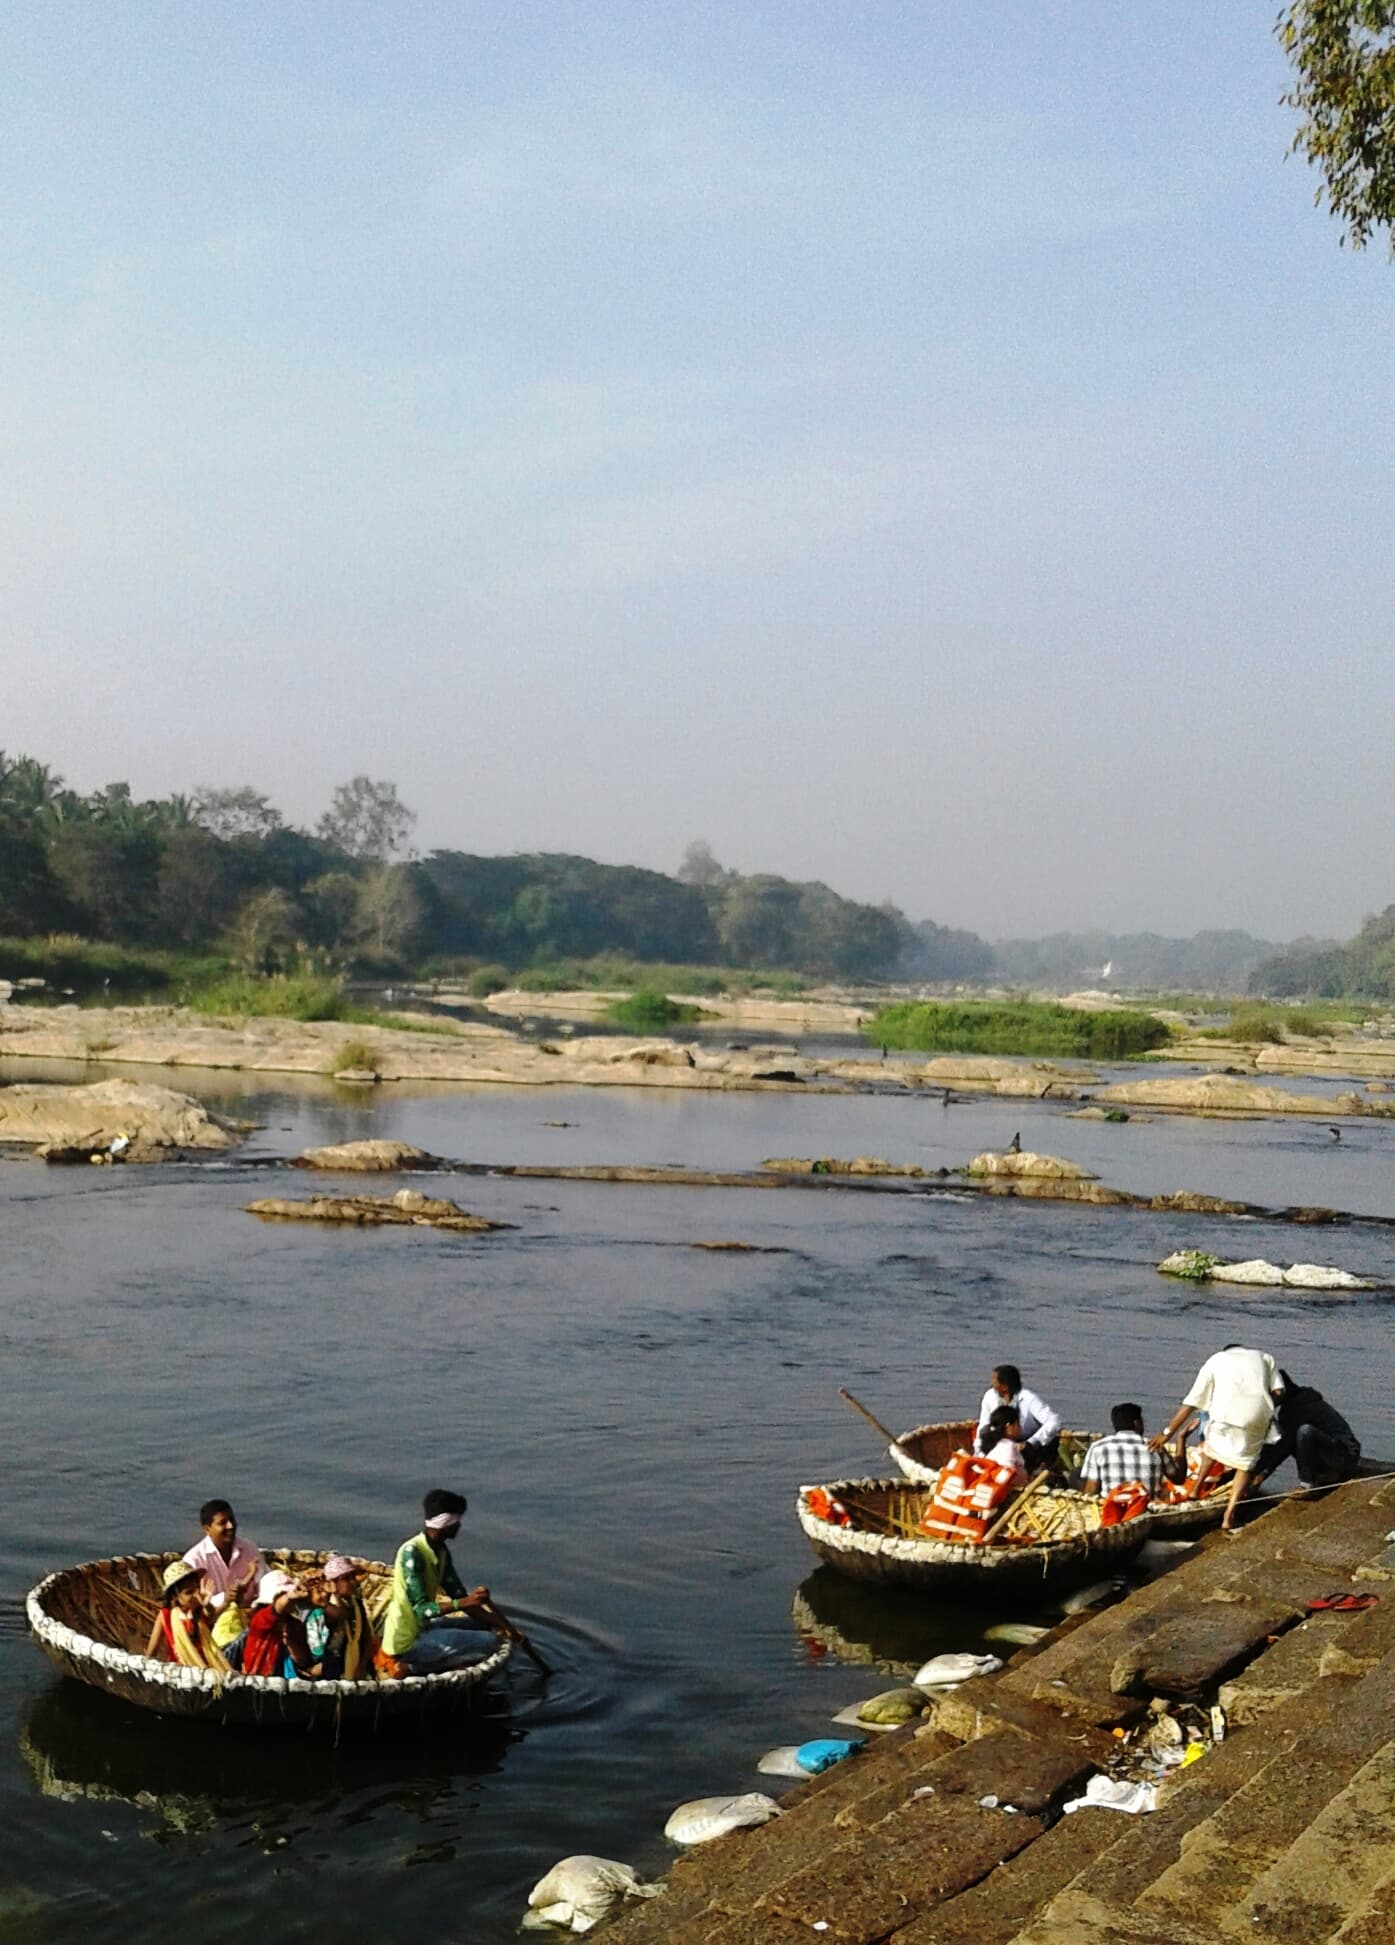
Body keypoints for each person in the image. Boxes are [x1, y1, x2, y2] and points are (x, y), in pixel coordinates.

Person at [1150, 1344, 1282, 1532]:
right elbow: (1279, 1392)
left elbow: (1191, 1402)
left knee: (1211, 1446)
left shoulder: (1216, 1360)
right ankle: (1229, 1517)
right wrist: (1262, 1405)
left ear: (1226, 1351)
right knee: (1246, 1465)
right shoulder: (1265, 1357)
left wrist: (1165, 1434)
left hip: (1224, 1414)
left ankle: (1196, 1489)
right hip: (1257, 1415)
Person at [377, 1488, 492, 1676]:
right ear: (447, 1523)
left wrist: (504, 1626)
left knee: (486, 1627)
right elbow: (422, 1609)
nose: (459, 1527)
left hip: (424, 1627)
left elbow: (459, 1595)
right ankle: (411, 1667)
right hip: (406, 1641)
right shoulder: (412, 1554)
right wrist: (464, 1602)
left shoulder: (441, 1551)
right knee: (489, 1642)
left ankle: (436, 1659)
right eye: (457, 1521)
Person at [182, 1499, 267, 1649]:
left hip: (253, 1618)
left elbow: (264, 1580)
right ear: (207, 1529)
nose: (231, 1526)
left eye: (232, 1520)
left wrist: (257, 1605)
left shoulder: (248, 1548)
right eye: (223, 1523)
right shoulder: (194, 1560)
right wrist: (225, 1599)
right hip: (212, 1629)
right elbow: (190, 1606)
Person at [1252, 1373, 1361, 1490]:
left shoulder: (1301, 1406)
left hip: (1344, 1455)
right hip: (1332, 1452)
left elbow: (1283, 1448)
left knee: (1305, 1432)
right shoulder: (1292, 1406)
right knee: (1280, 1433)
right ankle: (1325, 1474)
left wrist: (1262, 1475)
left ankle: (1307, 1485)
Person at [144, 1560, 229, 1671]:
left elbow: (211, 1614)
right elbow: (152, 1650)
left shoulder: (198, 1611)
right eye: (189, 1592)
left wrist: (207, 1604)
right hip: (180, 1671)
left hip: (207, 1668)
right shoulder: (166, 1615)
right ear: (175, 1596)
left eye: (197, 1589)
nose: (195, 1595)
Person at [975, 1365, 1061, 1473]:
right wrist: (978, 1453)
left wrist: (1030, 1442)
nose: (992, 1384)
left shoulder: (1029, 1399)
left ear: (1004, 1386)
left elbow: (1053, 1421)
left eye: (994, 1381)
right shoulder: (990, 1396)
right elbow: (984, 1425)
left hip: (1027, 1446)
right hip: (1000, 1442)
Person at [304, 1555, 378, 1680]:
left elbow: (367, 1638)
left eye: (353, 1577)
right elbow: (340, 1614)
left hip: (357, 1667)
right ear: (333, 1583)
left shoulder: (357, 1604)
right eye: (347, 1579)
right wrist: (327, 1602)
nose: (353, 1582)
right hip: (333, 1670)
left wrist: (362, 1665)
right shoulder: (327, 1607)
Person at [242, 1569, 318, 1678]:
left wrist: (290, 1643)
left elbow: (302, 1661)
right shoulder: (259, 1620)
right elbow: (275, 1610)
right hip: (259, 1679)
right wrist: (288, 1596)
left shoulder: (294, 1624)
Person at [1080, 1403, 1164, 1500]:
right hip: (1146, 1505)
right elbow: (1177, 1477)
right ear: (1137, 1423)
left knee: (1075, 1476)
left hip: (1112, 1507)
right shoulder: (1154, 1446)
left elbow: (1092, 1488)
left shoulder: (1098, 1447)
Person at [980, 1405, 1029, 1487]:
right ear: (1009, 1426)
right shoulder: (1008, 1447)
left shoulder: (993, 1444)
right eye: (1017, 1424)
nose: (1020, 1428)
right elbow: (1007, 1475)